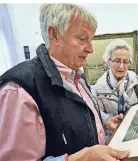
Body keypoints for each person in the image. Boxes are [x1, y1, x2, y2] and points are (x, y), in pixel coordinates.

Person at [0, 4, 129, 161]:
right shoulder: (19, 90)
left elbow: (74, 114)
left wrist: (103, 122)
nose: (90, 49)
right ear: (54, 34)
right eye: (82, 39)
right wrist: (81, 158)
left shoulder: (76, 76)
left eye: (90, 40)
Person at [94, 39, 138, 118]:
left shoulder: (135, 80)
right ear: (109, 61)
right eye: (117, 61)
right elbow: (100, 117)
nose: (121, 66)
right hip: (114, 129)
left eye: (125, 62)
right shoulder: (99, 87)